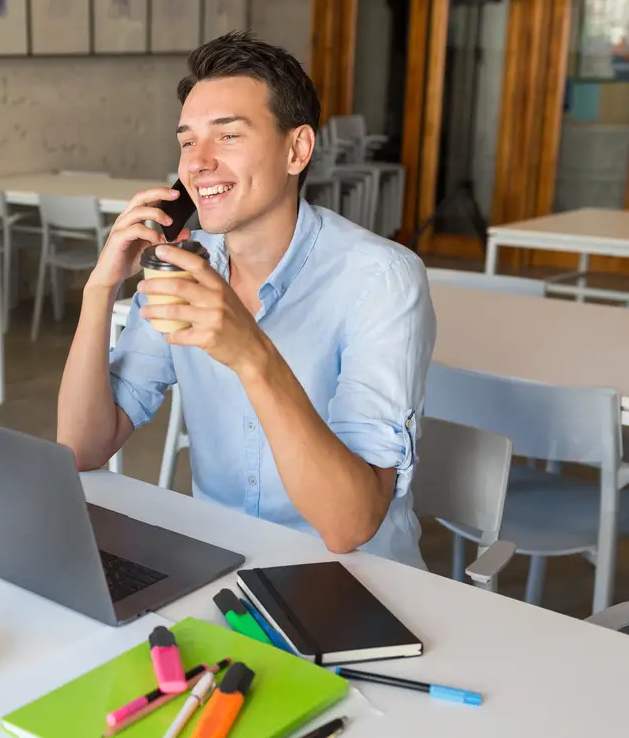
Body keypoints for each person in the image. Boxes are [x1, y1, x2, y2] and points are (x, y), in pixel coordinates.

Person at [56, 31, 436, 568]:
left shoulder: (382, 280)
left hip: (354, 579)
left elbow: (350, 526)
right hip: (219, 565)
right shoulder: (183, 264)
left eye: (228, 135)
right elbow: (83, 448)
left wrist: (249, 350)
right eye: (188, 141)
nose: (198, 163)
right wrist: (101, 288)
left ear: (296, 149)